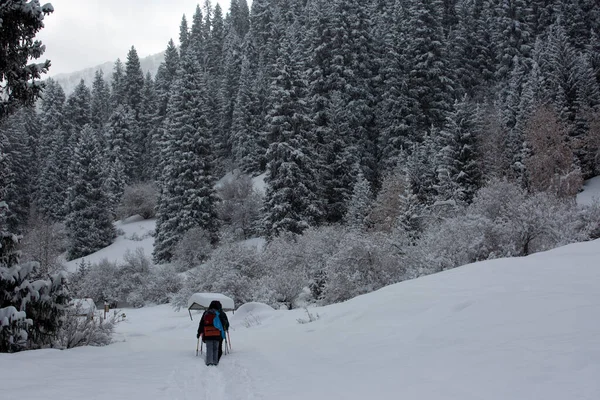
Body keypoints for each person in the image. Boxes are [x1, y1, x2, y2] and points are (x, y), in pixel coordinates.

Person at [197, 300, 229, 366]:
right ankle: (216, 361)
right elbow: (226, 324)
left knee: (209, 348)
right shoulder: (221, 313)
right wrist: (226, 329)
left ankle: (209, 362)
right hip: (218, 334)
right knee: (217, 348)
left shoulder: (206, 313)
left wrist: (199, 333)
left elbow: (201, 324)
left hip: (207, 333)